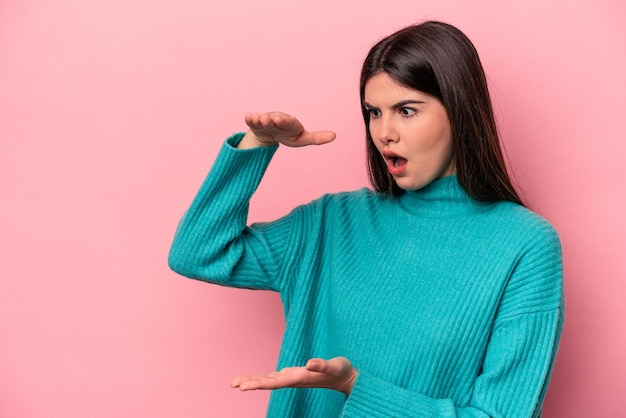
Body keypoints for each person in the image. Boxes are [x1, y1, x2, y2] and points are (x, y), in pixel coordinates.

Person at [168, 21, 563, 417]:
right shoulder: (331, 222)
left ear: (459, 112)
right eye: (374, 112)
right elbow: (199, 253)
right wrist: (258, 144)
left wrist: (355, 388)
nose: (384, 132)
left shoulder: (524, 245)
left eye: (406, 111)